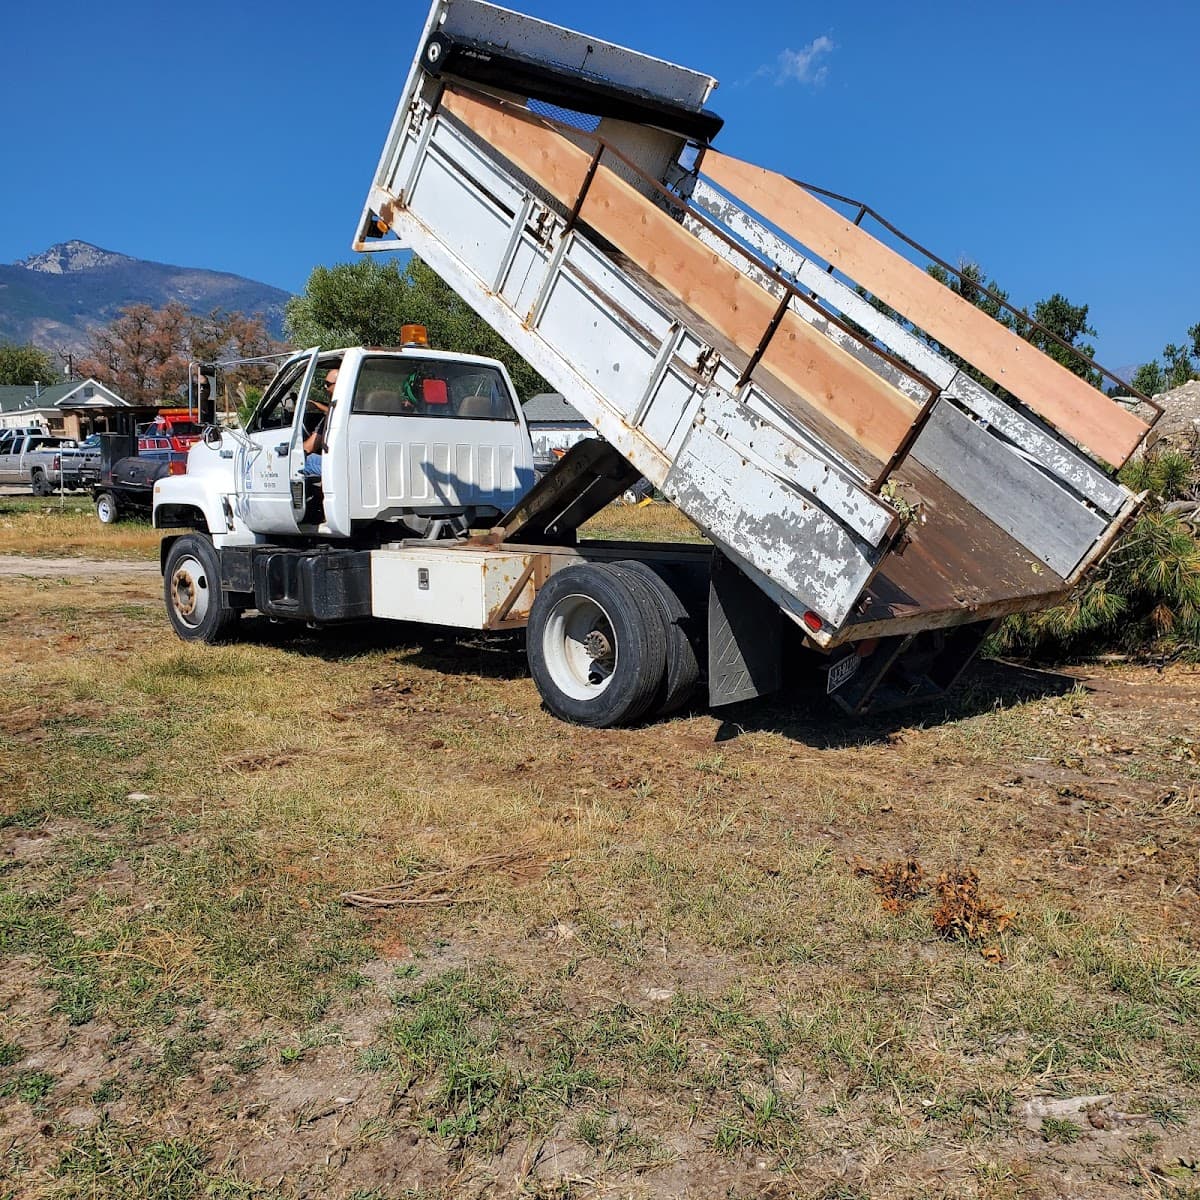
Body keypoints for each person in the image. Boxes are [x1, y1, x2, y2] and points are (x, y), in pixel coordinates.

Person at [303, 368, 338, 477]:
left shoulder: (333, 418)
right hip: (344, 462)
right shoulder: (350, 406)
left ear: (339, 384)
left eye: (328, 384)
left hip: (336, 467)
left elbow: (308, 448)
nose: (325, 387)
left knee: (301, 461)